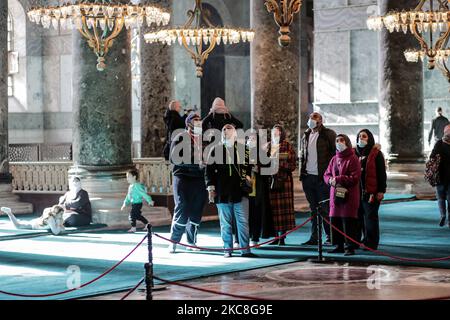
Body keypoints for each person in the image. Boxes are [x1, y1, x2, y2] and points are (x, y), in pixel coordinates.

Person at [205, 124, 256, 258]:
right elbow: (209, 172)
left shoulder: (243, 150)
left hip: (240, 191)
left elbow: (249, 167)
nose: (226, 133)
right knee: (225, 223)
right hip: (222, 192)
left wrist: (249, 178)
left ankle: (245, 250)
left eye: (230, 131)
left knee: (243, 222)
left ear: (235, 134)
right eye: (224, 131)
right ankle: (227, 249)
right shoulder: (215, 150)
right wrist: (211, 187)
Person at [168, 113, 207, 253]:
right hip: (182, 177)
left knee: (196, 210)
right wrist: (195, 161)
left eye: (199, 120)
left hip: (199, 178)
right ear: (188, 123)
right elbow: (174, 159)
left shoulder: (204, 139)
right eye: (195, 120)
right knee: (183, 208)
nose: (198, 122)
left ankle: (191, 242)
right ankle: (173, 240)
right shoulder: (180, 137)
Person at [299, 112, 336, 245]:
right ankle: (315, 237)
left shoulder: (328, 134)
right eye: (310, 118)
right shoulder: (306, 135)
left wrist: (329, 174)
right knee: (313, 208)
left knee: (325, 208)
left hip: (321, 178)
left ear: (320, 121)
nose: (311, 120)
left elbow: (334, 155)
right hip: (308, 177)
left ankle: (330, 237)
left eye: (314, 118)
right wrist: (302, 174)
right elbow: (303, 156)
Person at [324, 134, 361, 256]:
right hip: (335, 194)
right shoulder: (334, 159)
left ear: (347, 142)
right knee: (336, 220)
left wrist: (339, 178)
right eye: (337, 141)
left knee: (348, 221)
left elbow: (355, 178)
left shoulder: (353, 158)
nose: (339, 142)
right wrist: (329, 180)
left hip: (349, 195)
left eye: (341, 140)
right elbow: (326, 174)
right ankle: (338, 245)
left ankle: (350, 246)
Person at [355, 129, 387, 250]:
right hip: (356, 192)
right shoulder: (354, 153)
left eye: (364, 136)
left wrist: (381, 190)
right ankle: (362, 239)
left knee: (370, 217)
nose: (361, 138)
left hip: (371, 192)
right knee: (358, 217)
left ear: (369, 139)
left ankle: (371, 242)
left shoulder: (376, 154)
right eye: (359, 136)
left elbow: (381, 173)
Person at [268, 125, 297, 246]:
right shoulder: (269, 146)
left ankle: (282, 237)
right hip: (270, 181)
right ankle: (275, 236)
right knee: (273, 210)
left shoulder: (287, 146)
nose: (275, 134)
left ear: (281, 134)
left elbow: (292, 165)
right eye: (273, 132)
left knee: (284, 210)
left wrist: (279, 164)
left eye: (277, 132)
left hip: (284, 181)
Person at [246, 130, 273, 246]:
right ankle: (242, 238)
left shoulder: (262, 154)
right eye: (249, 139)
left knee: (256, 213)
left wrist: (259, 170)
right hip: (245, 189)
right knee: (244, 215)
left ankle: (254, 237)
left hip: (257, 188)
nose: (250, 141)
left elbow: (269, 170)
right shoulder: (242, 153)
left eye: (253, 139)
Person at [430, 124, 450, 227]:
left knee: (441, 197)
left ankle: (443, 215)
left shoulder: (439, 143)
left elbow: (432, 156)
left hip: (440, 175)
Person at [1, 205, 65, 235]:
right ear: (56, 213)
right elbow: (56, 232)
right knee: (18, 225)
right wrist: (59, 223)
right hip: (33, 225)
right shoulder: (51, 219)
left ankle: (14, 218)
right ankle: (9, 213)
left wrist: (59, 224)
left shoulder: (56, 218)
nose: (62, 215)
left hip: (37, 222)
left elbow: (62, 229)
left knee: (21, 222)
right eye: (61, 214)